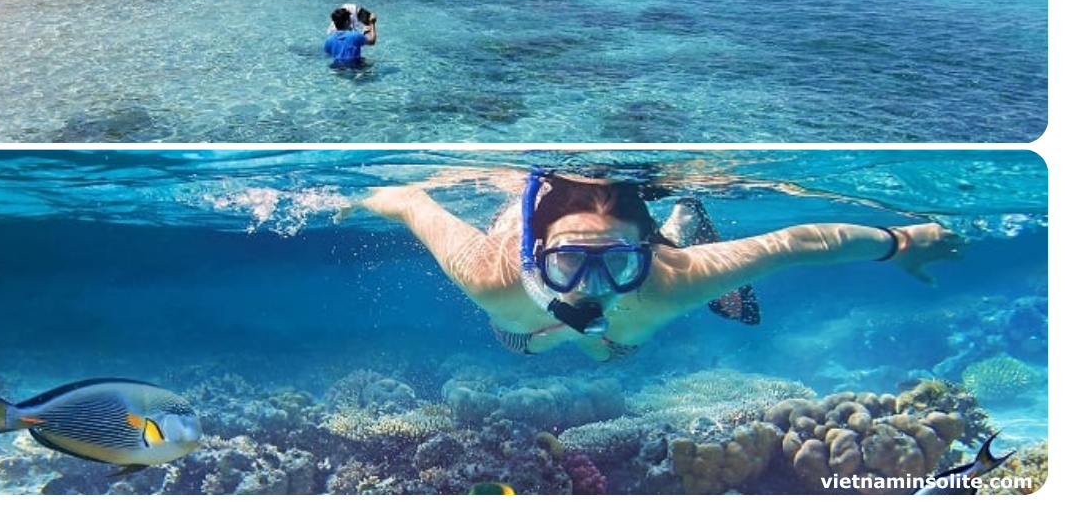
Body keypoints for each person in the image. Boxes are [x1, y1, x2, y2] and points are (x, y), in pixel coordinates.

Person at [360, 171, 961, 362]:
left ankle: (678, 221)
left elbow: (798, 240)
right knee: (528, 342)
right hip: (527, 321)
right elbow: (410, 199)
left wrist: (902, 241)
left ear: (641, 255)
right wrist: (347, 198)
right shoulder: (491, 273)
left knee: (609, 348)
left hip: (647, 281)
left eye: (619, 261)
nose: (591, 286)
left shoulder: (668, 278)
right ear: (535, 253)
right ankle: (675, 226)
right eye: (568, 261)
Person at [323, 6, 377, 70]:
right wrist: (372, 23)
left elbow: (343, 46)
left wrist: (362, 34)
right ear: (347, 22)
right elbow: (372, 41)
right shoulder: (355, 35)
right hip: (354, 66)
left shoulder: (328, 40)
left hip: (337, 68)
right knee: (370, 63)